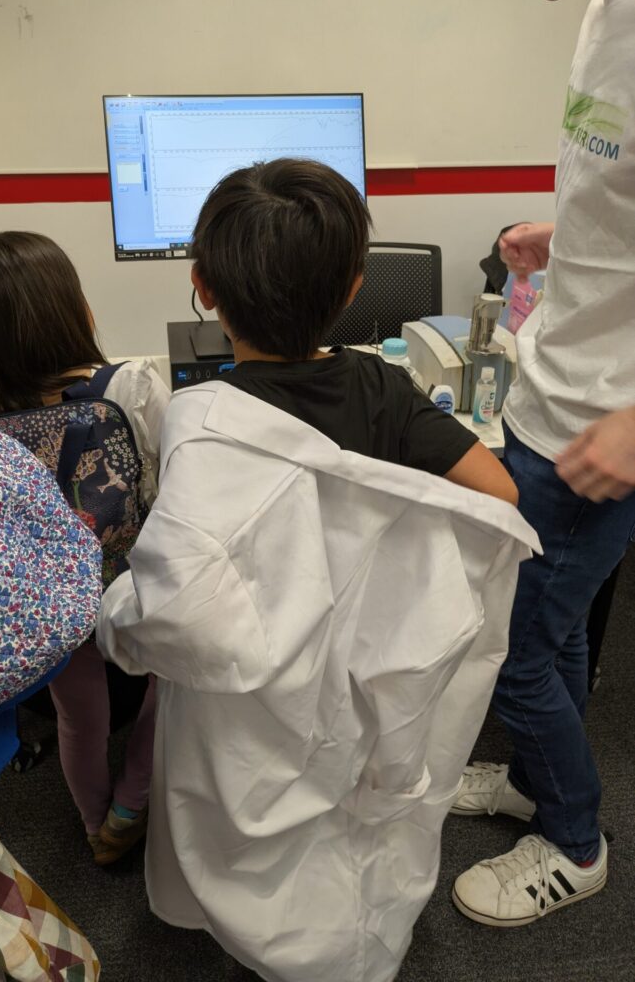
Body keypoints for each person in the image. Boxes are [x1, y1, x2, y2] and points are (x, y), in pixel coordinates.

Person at [96, 158, 538, 982]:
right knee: (356, 815)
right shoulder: (381, 385)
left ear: (203, 286)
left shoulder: (204, 425)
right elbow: (498, 500)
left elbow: (176, 608)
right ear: (353, 289)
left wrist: (115, 622)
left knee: (266, 831)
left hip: (258, 689)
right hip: (372, 665)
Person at [451, 0, 635, 927]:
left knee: (515, 650)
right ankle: (535, 780)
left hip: (605, 429)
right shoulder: (606, 7)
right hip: (547, 397)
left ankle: (573, 842)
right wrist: (564, 235)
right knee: (546, 629)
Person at [0, 230, 170, 864]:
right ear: (78, 310)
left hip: (49, 604)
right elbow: (167, 481)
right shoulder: (132, 387)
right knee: (171, 687)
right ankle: (132, 803)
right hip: (133, 583)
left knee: (79, 718)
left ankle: (95, 824)